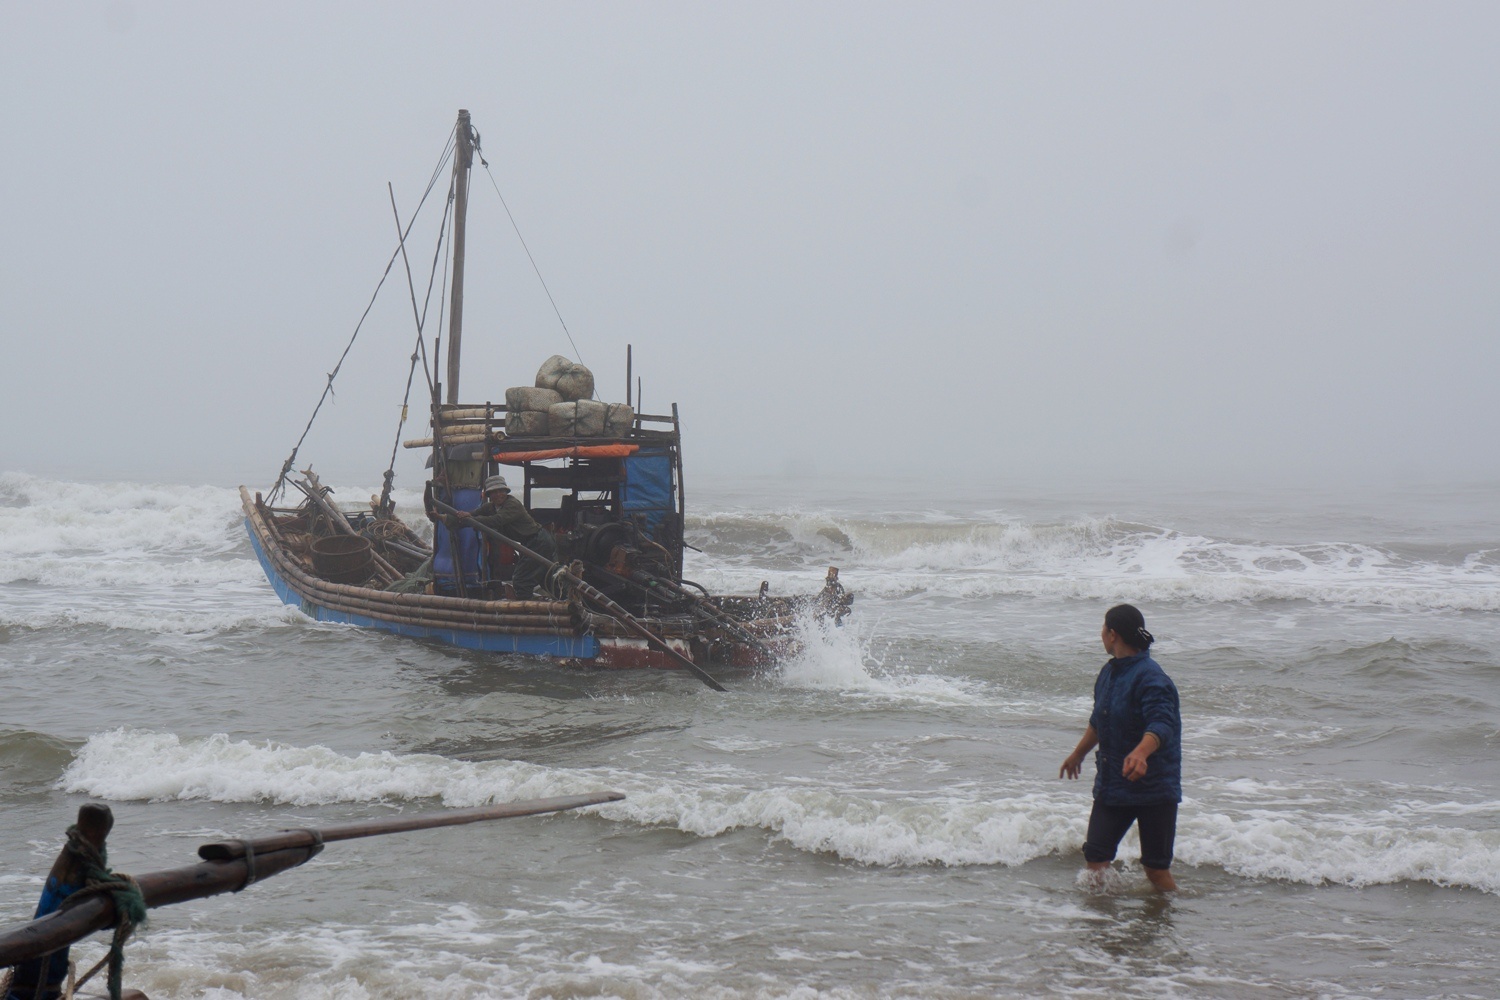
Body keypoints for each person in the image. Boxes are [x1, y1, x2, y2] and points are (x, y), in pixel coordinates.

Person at [1059, 604, 1182, 892]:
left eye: (1103, 629)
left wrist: (1141, 752)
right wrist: (1079, 753)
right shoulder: (1109, 673)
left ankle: (1171, 919)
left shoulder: (1152, 678)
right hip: (1115, 783)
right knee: (1096, 859)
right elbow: (1099, 721)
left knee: (1155, 868)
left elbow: (1163, 723)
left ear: (1112, 634)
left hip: (1155, 786)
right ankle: (1101, 923)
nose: (1100, 634)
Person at [455, 474, 557, 600]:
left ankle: (526, 610)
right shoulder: (490, 507)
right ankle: (553, 603)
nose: (498, 495)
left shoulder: (512, 504)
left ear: (506, 491)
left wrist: (471, 519)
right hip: (529, 543)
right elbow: (471, 516)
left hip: (539, 541)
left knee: (521, 579)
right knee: (543, 577)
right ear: (489, 495)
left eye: (501, 491)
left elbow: (496, 520)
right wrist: (450, 518)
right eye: (494, 492)